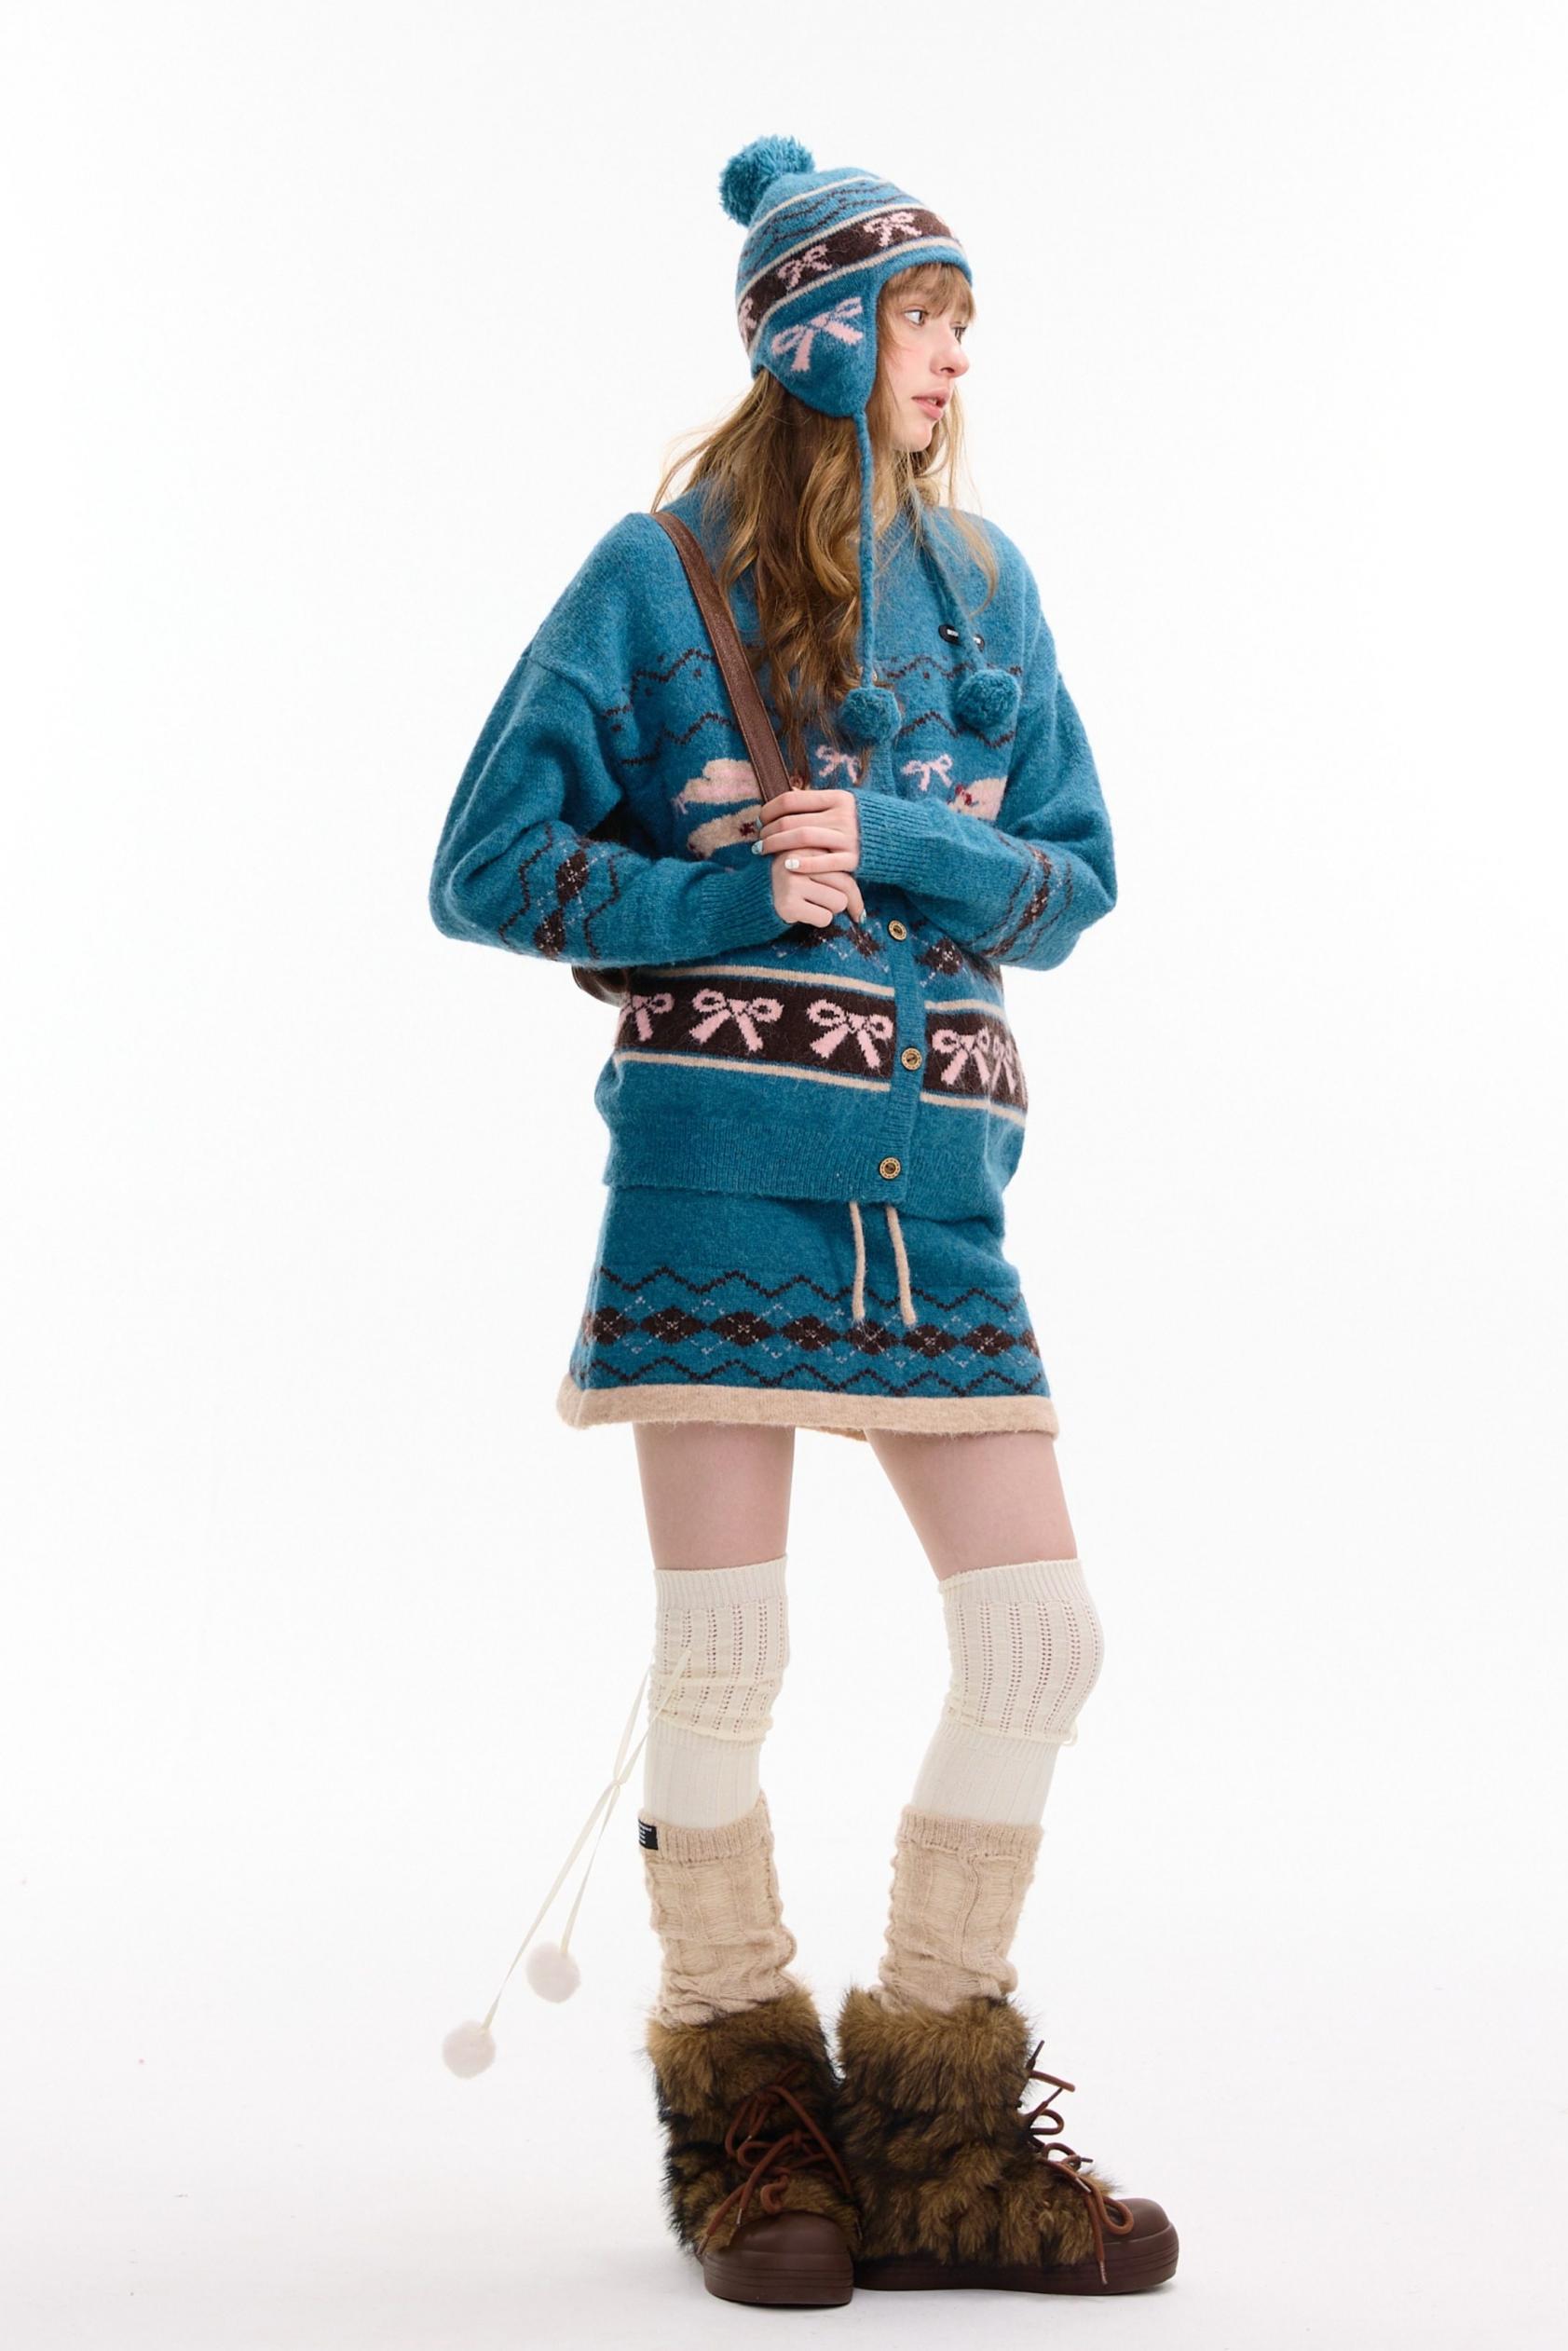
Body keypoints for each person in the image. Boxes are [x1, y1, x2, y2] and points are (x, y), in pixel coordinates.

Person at [430, 136, 1178, 2306]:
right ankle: (741, 2087)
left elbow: (1077, 875)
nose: (954, 359)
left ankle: (939, 2118)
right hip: (721, 1170)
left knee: (1040, 1632)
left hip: (943, 1194)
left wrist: (905, 850)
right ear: (824, 337)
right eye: (925, 317)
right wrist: (723, 887)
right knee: (727, 1648)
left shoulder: (992, 583)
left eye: (961, 322)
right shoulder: (653, 576)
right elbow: (486, 863)